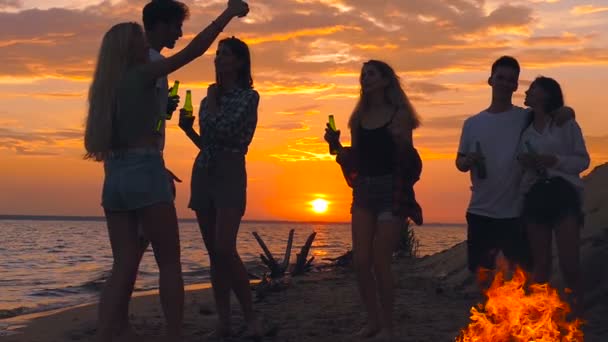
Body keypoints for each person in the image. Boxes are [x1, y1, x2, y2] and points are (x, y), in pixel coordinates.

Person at [83, 1, 250, 341]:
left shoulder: (106, 87)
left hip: (115, 176)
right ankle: (174, 333)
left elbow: (145, 125)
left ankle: (105, 332)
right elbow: (194, 51)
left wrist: (161, 113)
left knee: (123, 263)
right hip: (145, 171)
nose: (142, 41)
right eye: (136, 38)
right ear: (128, 47)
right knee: (169, 262)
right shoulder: (145, 70)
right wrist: (227, 14)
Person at [324, 60, 423, 341]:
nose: (365, 78)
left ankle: (388, 328)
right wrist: (335, 145)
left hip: (392, 191)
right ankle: (373, 321)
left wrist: (401, 140)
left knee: (381, 261)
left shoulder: (399, 114)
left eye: (371, 74)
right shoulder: (358, 118)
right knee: (361, 261)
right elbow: (354, 159)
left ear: (385, 80)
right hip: (364, 192)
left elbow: (410, 162)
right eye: (363, 75)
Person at [455, 56, 574, 289]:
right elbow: (459, 162)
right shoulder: (472, 123)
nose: (505, 83)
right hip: (480, 210)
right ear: (490, 80)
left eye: (511, 80)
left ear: (516, 86)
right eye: (500, 78)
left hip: (515, 212)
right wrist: (467, 161)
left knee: (522, 277)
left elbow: (555, 112)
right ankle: (488, 322)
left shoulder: (524, 117)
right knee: (483, 276)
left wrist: (567, 111)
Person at [178, 37, 261, 339]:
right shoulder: (204, 100)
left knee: (225, 247)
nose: (218, 59)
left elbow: (227, 130)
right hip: (204, 170)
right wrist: (189, 130)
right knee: (215, 253)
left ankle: (251, 319)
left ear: (239, 62)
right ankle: (224, 322)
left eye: (225, 55)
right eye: (217, 54)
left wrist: (213, 102)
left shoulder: (248, 97)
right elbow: (208, 142)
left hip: (230, 171)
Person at [518, 76, 589, 317]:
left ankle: (578, 314)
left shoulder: (565, 124)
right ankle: (540, 317)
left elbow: (583, 160)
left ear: (546, 95)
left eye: (532, 89)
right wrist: (528, 164)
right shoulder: (525, 129)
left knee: (570, 263)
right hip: (536, 194)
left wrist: (555, 161)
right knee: (541, 265)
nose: (526, 92)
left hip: (563, 192)